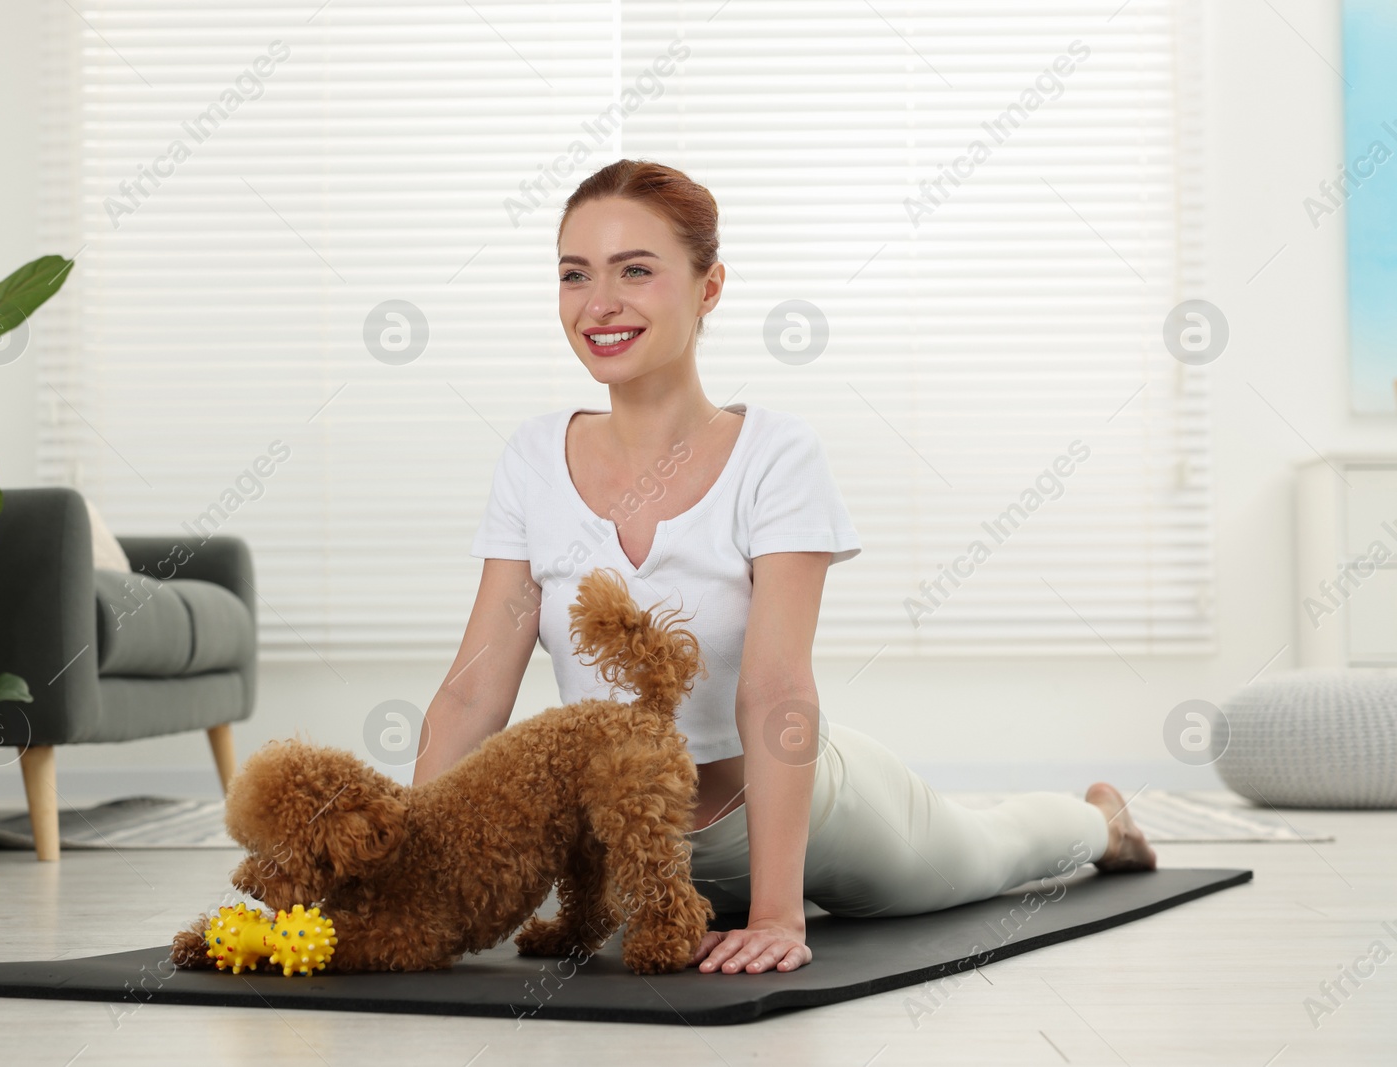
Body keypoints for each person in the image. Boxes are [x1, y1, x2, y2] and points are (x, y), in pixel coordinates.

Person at [410, 158, 1156, 978]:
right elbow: (474, 691)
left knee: (982, 857)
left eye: (636, 271)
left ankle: (1101, 822)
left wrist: (776, 911)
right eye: (574, 274)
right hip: (623, 837)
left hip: (782, 806)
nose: (600, 303)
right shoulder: (532, 459)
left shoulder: (775, 454)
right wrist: (404, 878)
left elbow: (775, 688)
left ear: (709, 286)